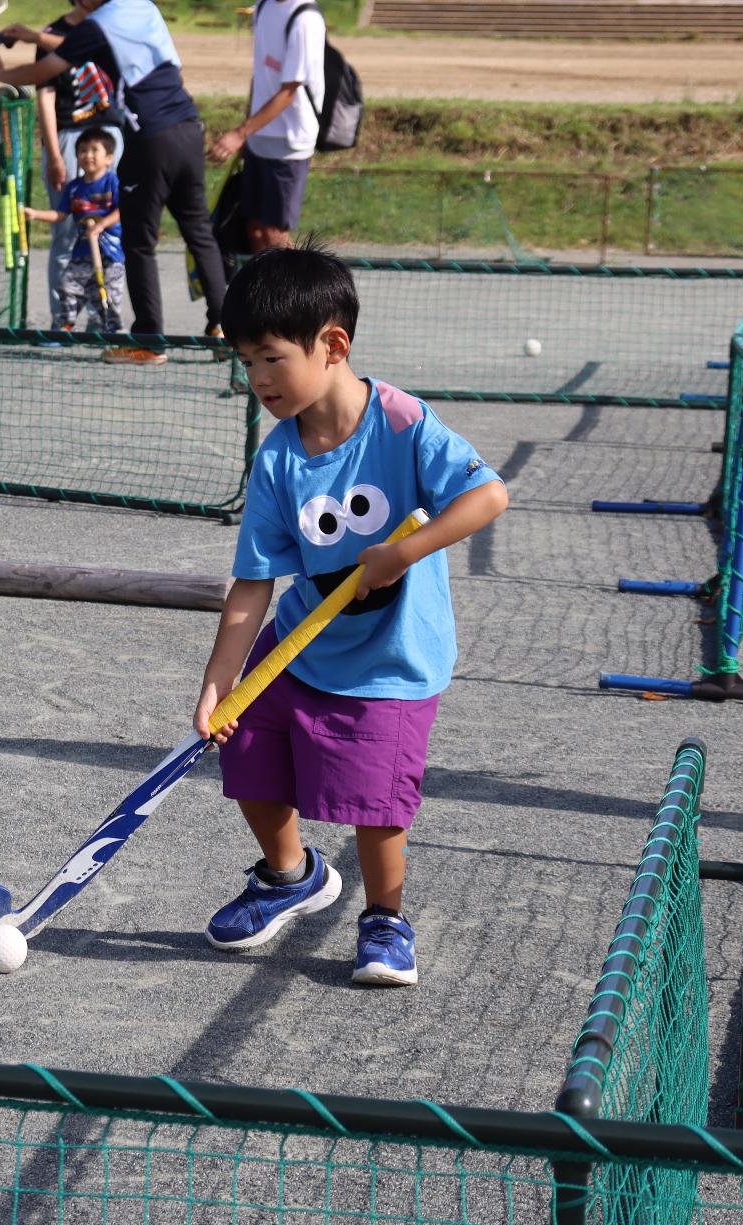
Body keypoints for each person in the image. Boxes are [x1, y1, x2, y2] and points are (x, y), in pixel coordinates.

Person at [191, 243, 507, 987]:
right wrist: (217, 683)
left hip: (391, 657)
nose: (258, 378)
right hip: (299, 643)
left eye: (271, 358)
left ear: (332, 346)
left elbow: (488, 495)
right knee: (247, 748)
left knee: (376, 802)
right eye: (246, 361)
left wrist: (404, 552)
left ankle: (386, 918)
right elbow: (253, 585)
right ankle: (289, 874)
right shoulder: (278, 459)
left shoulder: (401, 423)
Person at [0, 0, 225, 367]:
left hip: (151, 138)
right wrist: (35, 36)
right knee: (199, 233)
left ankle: (149, 341)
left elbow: (47, 69)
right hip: (189, 130)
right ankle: (225, 328)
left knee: (138, 243)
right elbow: (78, 46)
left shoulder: (99, 23)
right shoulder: (143, 7)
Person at [0, 8, 122, 332]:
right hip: (70, 135)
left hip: (109, 134)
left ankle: (100, 315)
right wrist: (54, 154)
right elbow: (46, 96)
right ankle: (62, 317)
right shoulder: (53, 33)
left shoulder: (111, 24)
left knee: (108, 227)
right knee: (67, 230)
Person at [210, 0, 323, 253]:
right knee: (254, 229)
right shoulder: (263, 7)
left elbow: (288, 92)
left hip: (289, 141)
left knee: (274, 232)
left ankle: (296, 279)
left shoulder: (305, 17)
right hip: (258, 137)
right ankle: (263, 280)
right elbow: (260, 74)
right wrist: (248, 131)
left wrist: (240, 134)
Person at [20, 128, 122, 335]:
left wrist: (100, 226)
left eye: (94, 150)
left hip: (110, 254)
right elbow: (60, 215)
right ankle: (64, 326)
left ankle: (112, 333)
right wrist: (35, 214)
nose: (88, 155)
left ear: (109, 158)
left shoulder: (112, 182)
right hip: (82, 253)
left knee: (107, 296)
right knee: (67, 286)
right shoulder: (75, 188)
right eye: (83, 151)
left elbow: (123, 210)